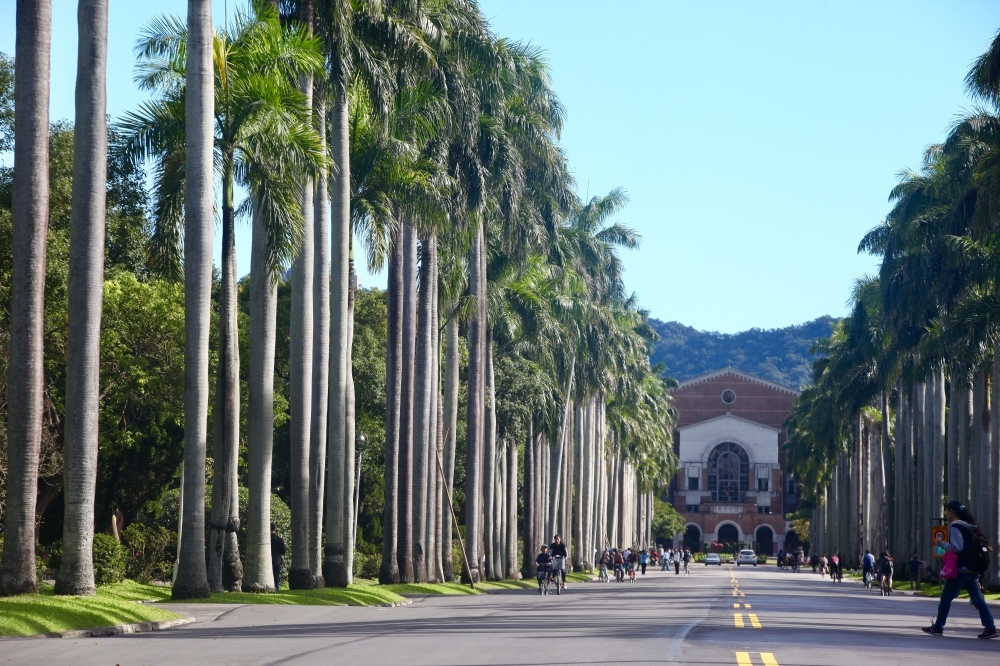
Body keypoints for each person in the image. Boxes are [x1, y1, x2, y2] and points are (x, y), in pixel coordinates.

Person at [922, 502, 997, 639]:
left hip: (961, 570)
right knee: (978, 600)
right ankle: (990, 627)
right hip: (972, 570)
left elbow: (957, 548)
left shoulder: (956, 526)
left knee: (945, 598)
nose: (946, 514)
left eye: (947, 511)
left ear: (951, 512)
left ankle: (938, 627)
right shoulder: (972, 527)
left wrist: (941, 544)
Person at [270, 523, 285, 591]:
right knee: (276, 578)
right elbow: (283, 551)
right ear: (275, 529)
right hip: (276, 560)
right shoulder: (279, 539)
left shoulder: (266, 539)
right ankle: (276, 591)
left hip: (268, 561)